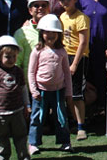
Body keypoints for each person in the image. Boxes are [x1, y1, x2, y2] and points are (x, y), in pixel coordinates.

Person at [28, 14, 73, 155]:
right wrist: (33, 90)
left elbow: (66, 72)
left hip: (58, 91)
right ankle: (33, 143)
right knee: (37, 117)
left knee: (61, 117)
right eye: (47, 32)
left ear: (59, 34)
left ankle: (65, 142)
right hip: (41, 92)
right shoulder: (37, 51)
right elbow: (31, 72)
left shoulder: (61, 51)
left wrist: (69, 92)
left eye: (54, 32)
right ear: (42, 33)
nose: (51, 35)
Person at [0, 36, 30, 160]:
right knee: (2, 137)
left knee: (21, 135)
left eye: (14, 57)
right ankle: (3, 157)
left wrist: (27, 105)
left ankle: (23, 156)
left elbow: (23, 89)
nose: (11, 60)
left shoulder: (18, 71)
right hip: (1, 113)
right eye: (7, 57)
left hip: (17, 111)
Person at [56, 0, 90, 141]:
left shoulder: (81, 18)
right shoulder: (62, 17)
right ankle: (72, 121)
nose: (64, 2)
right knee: (66, 93)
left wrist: (75, 63)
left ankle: (81, 126)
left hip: (78, 56)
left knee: (77, 94)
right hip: (64, 56)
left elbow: (83, 42)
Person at [14, 0, 50, 80]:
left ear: (48, 8)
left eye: (44, 5)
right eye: (36, 5)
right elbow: (16, 62)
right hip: (28, 85)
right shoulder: (21, 33)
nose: (40, 8)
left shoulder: (56, 31)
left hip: (50, 85)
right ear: (30, 10)